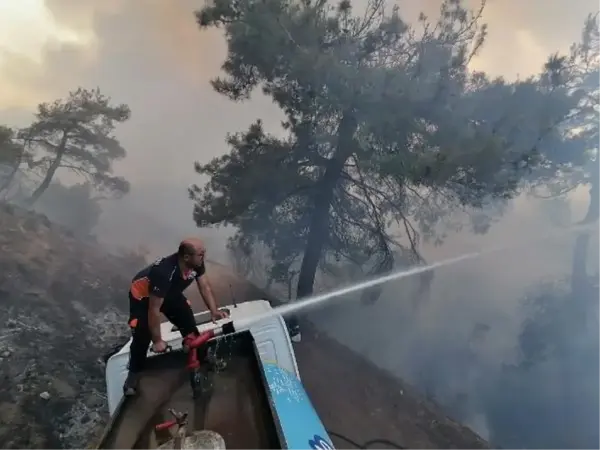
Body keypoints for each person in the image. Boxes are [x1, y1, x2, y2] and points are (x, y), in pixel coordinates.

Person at [123, 237, 229, 396]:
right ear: (186, 257)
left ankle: (205, 356)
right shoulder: (164, 272)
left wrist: (214, 310)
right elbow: (154, 309)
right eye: (201, 254)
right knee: (142, 335)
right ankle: (132, 376)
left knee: (188, 323)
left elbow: (204, 286)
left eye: (204, 253)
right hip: (144, 299)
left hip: (170, 293)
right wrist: (157, 340)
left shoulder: (196, 264)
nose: (204, 257)